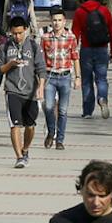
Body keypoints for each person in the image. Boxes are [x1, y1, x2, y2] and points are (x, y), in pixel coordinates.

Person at [0, 15, 47, 168]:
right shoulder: (5, 47)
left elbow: (41, 69)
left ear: (26, 30)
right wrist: (10, 64)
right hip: (12, 90)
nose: (17, 36)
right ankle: (19, 157)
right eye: (14, 33)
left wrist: (41, 88)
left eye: (20, 33)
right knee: (15, 125)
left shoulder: (33, 46)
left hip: (31, 92)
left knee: (30, 126)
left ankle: (25, 149)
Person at [72, 0, 112, 119]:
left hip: (86, 49)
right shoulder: (104, 10)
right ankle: (102, 99)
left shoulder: (80, 12)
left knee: (86, 81)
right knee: (102, 78)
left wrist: (73, 51)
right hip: (102, 48)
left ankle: (87, 111)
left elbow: (75, 33)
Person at [39, 10, 77, 150]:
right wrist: (39, 78)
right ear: (51, 21)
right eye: (54, 20)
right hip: (50, 76)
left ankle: (60, 140)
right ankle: (51, 132)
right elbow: (41, 59)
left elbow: (75, 57)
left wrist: (77, 77)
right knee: (48, 106)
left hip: (65, 76)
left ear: (64, 21)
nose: (57, 23)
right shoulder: (45, 37)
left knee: (62, 110)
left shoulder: (70, 37)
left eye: (59, 20)